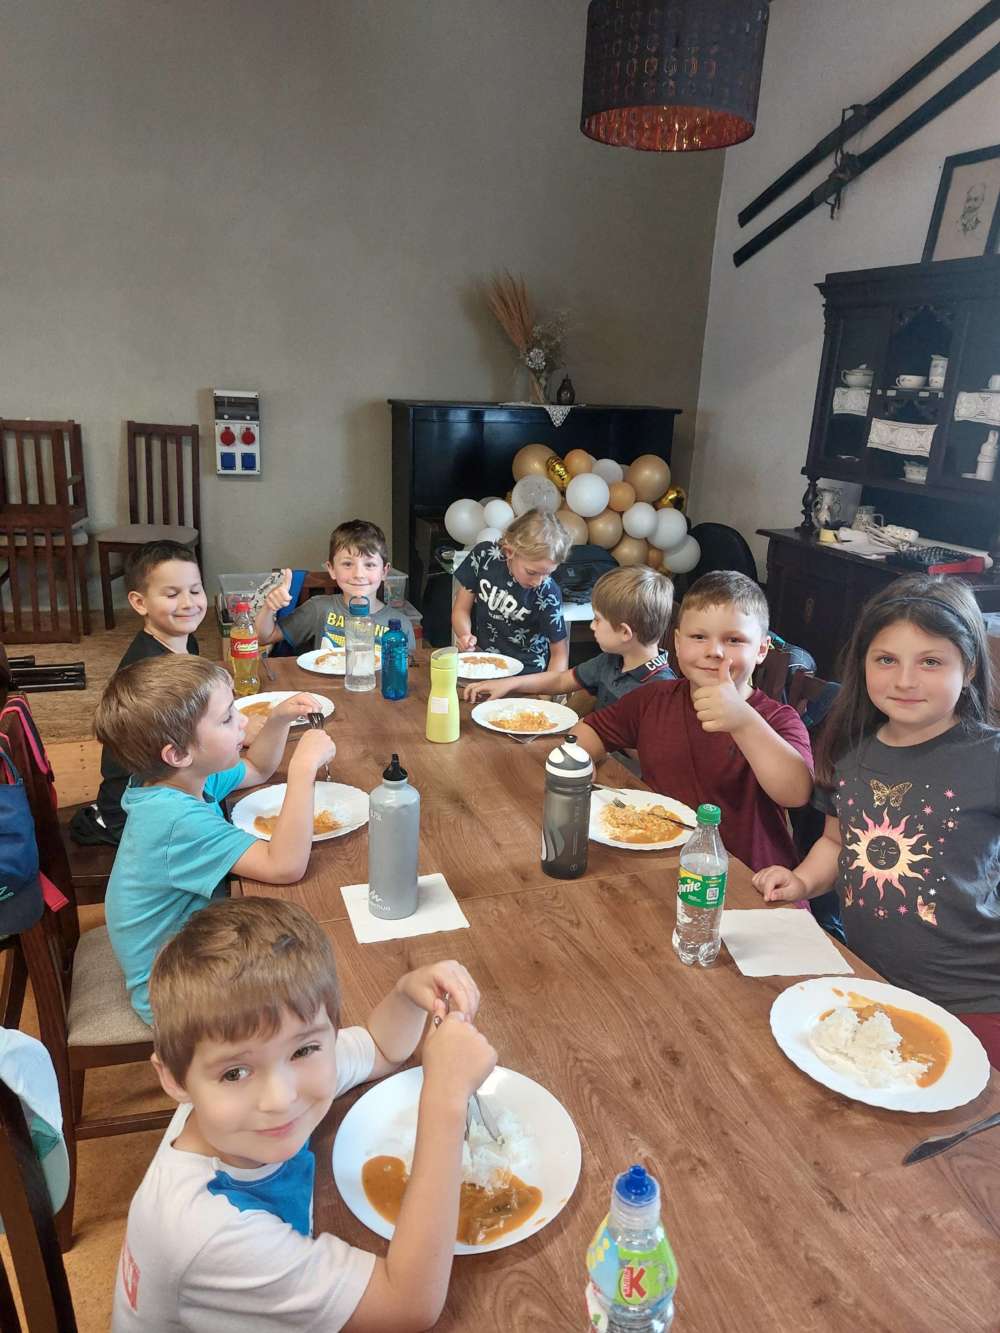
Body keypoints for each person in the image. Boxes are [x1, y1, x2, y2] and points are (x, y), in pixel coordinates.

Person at [112, 896, 496, 1333]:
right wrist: (446, 1099)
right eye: (235, 1072)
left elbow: (380, 1047)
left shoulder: (231, 1097)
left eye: (304, 1049)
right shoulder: (207, 1232)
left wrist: (409, 993)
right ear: (175, 1079)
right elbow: (408, 1306)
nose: (281, 1097)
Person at [753, 575, 1000, 1068]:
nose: (905, 680)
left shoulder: (989, 756)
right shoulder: (850, 749)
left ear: (969, 667)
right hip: (870, 979)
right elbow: (836, 842)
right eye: (886, 659)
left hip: (975, 998)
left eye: (931, 662)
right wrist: (802, 880)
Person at [94, 656, 333, 1025]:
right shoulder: (175, 820)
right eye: (226, 718)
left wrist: (279, 719)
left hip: (193, 954)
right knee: (316, 977)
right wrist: (303, 771)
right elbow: (285, 866)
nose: (242, 722)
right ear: (178, 753)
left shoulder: (177, 779)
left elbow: (257, 769)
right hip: (178, 996)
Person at [573, 570, 813, 871]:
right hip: (662, 861)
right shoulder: (653, 699)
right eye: (699, 637)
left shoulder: (778, 719)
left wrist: (743, 721)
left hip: (748, 880)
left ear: (762, 649)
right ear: (676, 642)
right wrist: (580, 766)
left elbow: (795, 793)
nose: (714, 651)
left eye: (734, 640)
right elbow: (588, 732)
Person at [70, 540, 207, 847]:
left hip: (166, 779)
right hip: (134, 807)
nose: (189, 603)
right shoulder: (152, 671)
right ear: (139, 602)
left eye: (195, 590)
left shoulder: (185, 641)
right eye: (172, 594)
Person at [462, 565, 673, 709]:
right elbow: (561, 680)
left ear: (625, 632)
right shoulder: (610, 661)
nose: (592, 626)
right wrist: (508, 684)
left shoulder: (662, 691)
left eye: (597, 620)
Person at [254, 518, 415, 654]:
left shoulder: (401, 625)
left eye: (370, 565)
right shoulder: (319, 608)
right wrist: (269, 607)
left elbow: (408, 672)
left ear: (384, 571)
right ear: (331, 569)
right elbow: (264, 637)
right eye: (347, 564)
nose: (358, 574)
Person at [451, 509, 572, 673]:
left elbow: (560, 653)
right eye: (531, 572)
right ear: (509, 552)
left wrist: (548, 687)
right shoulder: (484, 557)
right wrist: (465, 635)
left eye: (547, 574)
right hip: (484, 663)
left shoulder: (548, 592)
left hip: (526, 674)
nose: (538, 582)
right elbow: (461, 609)